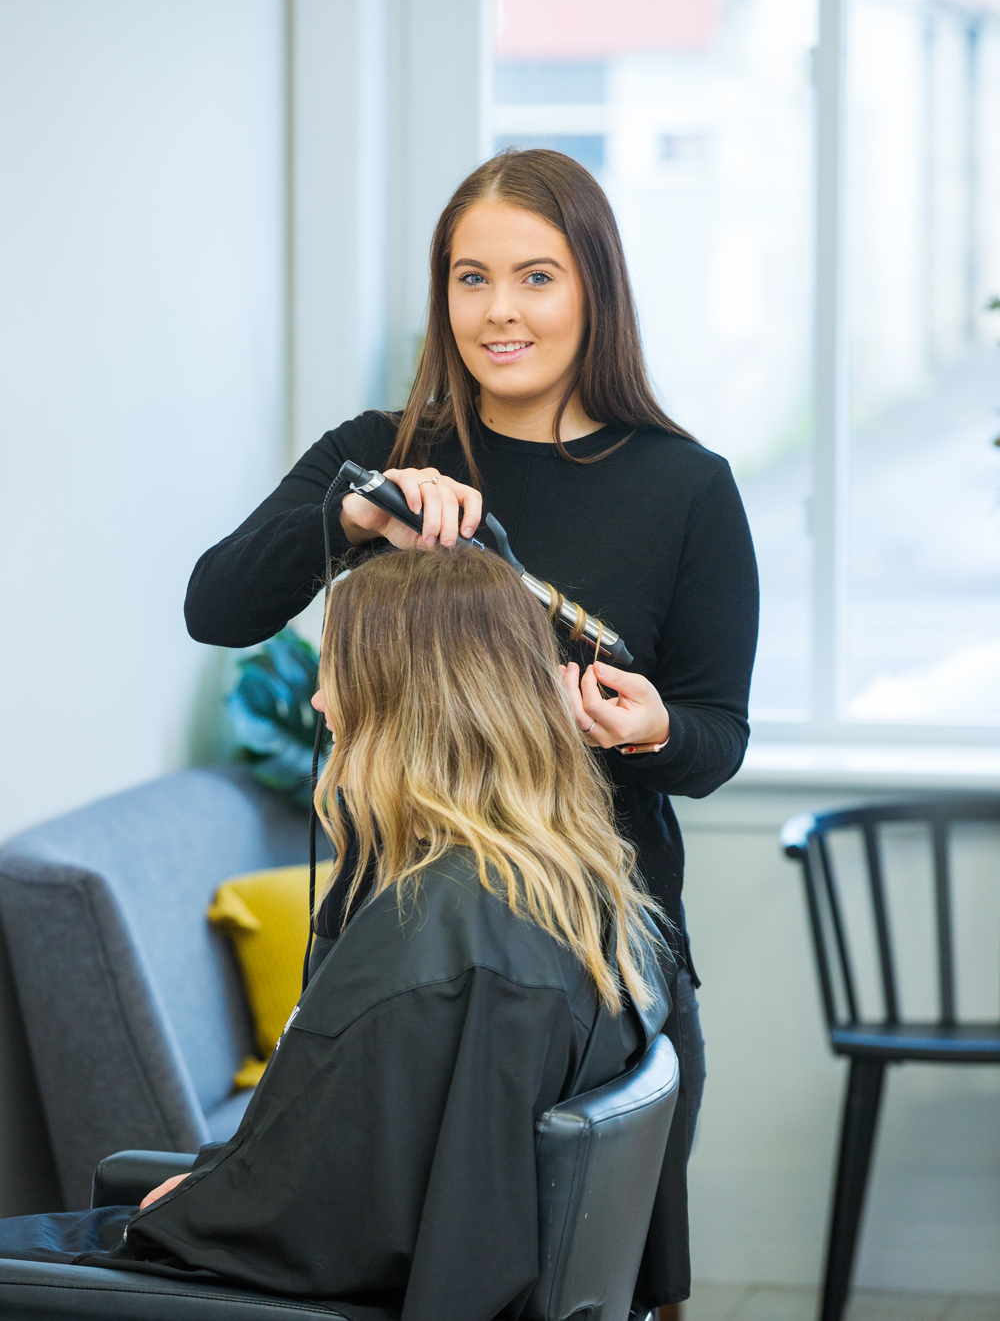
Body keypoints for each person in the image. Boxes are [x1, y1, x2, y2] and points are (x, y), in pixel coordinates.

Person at [185, 147, 760, 1313]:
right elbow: (217, 606)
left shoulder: (685, 487)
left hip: (595, 954)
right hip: (422, 954)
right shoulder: (387, 446)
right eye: (470, 277)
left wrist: (649, 730)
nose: (500, 311)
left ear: (594, 289)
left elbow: (717, 738)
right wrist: (348, 514)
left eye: (536, 277)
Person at [0, 547, 672, 1321]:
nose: (319, 701)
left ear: (403, 698)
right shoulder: (574, 887)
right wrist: (219, 1186)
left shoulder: (438, 936)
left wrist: (196, 1205)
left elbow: (314, 1225)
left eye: (337, 674)